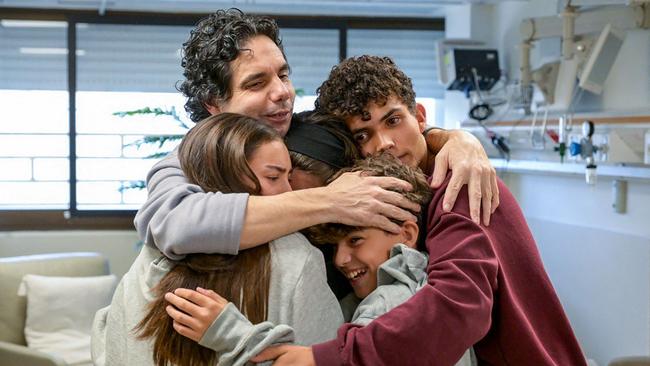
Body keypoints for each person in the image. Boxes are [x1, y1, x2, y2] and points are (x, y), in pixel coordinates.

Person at [246, 55, 587, 366]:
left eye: (393, 120)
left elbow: (461, 306)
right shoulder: (408, 190)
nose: (384, 143)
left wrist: (327, 359)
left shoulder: (460, 185)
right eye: (364, 135)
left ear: (420, 116)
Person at [133, 9, 500, 266]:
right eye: (257, 83)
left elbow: (379, 140)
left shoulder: (302, 131)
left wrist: (451, 138)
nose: (282, 93)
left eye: (284, 74)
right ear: (214, 104)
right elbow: (174, 223)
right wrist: (327, 200)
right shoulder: (189, 160)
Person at [163, 153, 474, 366]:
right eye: (334, 245)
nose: (340, 259)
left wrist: (228, 332)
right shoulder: (425, 292)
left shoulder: (390, 304)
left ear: (407, 234)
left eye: (355, 240)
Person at [91, 113, 343, 366]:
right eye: (273, 177)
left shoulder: (152, 256)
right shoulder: (297, 258)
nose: (289, 194)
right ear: (228, 173)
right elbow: (327, 358)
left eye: (288, 179)